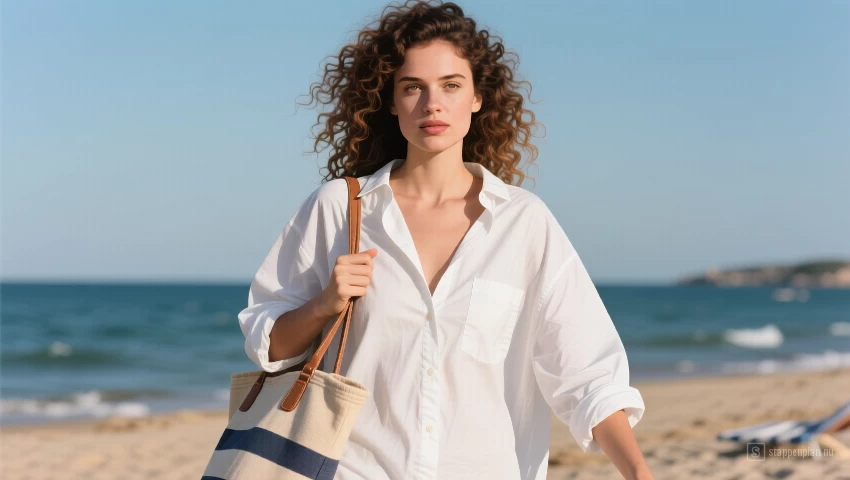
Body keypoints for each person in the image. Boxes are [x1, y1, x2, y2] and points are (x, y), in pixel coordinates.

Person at [237, 1, 653, 479]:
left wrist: (639, 472)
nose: (432, 104)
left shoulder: (523, 223)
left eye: (451, 86)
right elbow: (268, 344)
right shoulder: (339, 209)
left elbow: (586, 372)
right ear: (390, 101)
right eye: (413, 87)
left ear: (478, 97)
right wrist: (323, 305)